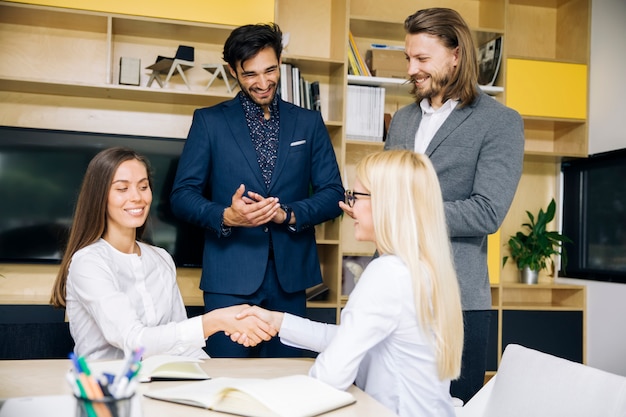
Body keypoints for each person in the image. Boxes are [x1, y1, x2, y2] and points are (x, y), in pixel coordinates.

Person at [236, 150, 464, 417]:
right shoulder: (420, 267)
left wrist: (259, 399)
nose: (348, 207)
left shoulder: (387, 274)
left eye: (356, 196)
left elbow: (330, 377)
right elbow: (352, 338)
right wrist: (277, 321)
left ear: (388, 203)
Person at [169, 23, 344, 358]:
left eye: (271, 70)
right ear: (234, 70)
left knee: (284, 384)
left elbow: (332, 193)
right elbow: (182, 195)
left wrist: (288, 213)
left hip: (290, 280)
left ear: (280, 62)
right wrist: (226, 215)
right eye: (250, 74)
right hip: (228, 280)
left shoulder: (309, 123)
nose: (263, 83)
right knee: (225, 378)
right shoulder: (209, 122)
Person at [382, 8, 525, 402]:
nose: (412, 68)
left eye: (422, 59)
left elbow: (487, 211)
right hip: (395, 294)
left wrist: (405, 215)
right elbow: (389, 190)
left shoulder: (500, 122)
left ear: (456, 55)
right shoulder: (403, 120)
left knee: (453, 409)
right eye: (408, 58)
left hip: (455, 303)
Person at [50, 147, 276, 360]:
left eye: (143, 186)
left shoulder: (160, 258)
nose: (137, 197)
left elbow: (183, 346)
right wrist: (214, 321)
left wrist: (213, 378)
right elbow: (133, 341)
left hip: (161, 385)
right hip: (109, 390)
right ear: (99, 196)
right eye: (122, 188)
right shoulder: (88, 262)